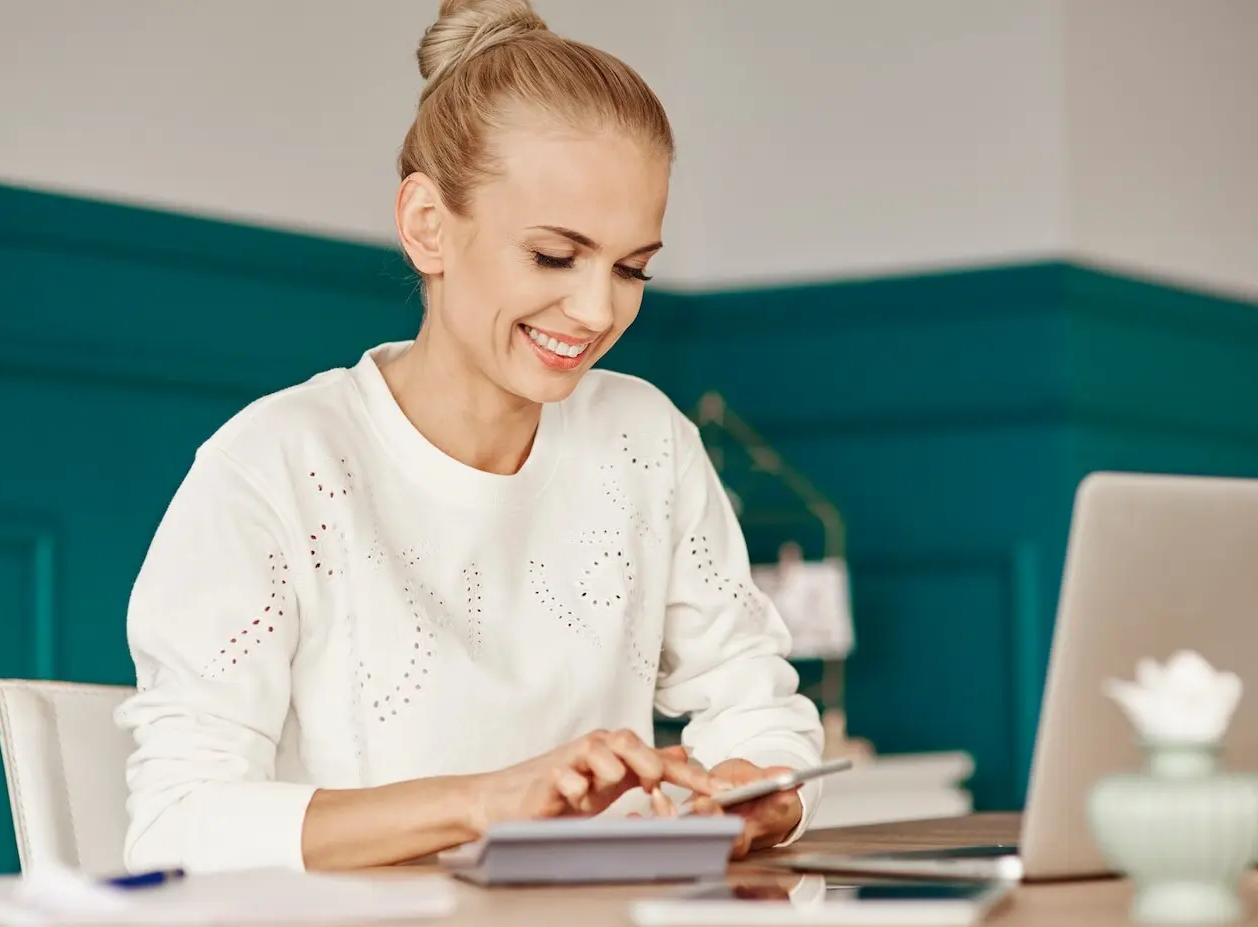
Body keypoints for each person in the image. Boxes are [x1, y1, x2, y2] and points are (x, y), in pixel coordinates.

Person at [115, 0, 826, 873]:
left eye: (633, 267)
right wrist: (487, 800)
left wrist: (768, 793)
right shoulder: (272, 468)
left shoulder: (647, 441)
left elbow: (758, 702)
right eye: (554, 257)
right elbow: (176, 824)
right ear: (427, 225)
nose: (600, 310)